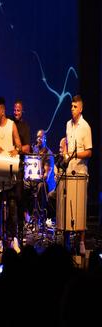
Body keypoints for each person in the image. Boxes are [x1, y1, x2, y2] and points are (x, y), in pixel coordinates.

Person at [0, 97, 22, 254]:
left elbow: (19, 144)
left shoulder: (11, 125)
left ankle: (13, 239)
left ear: (2, 111)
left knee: (13, 206)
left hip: (10, 174)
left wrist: (17, 149)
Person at [64, 95, 92, 254]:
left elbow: (89, 152)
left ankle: (81, 242)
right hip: (69, 172)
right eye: (71, 106)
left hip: (81, 173)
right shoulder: (68, 125)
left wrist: (75, 155)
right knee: (69, 206)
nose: (72, 109)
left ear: (80, 109)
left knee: (80, 208)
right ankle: (67, 240)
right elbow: (68, 144)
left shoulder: (85, 126)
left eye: (75, 107)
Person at [11, 99, 31, 242]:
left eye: (18, 110)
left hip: (20, 167)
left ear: (22, 111)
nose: (16, 112)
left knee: (19, 198)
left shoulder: (25, 127)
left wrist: (16, 150)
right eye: (14, 110)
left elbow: (27, 148)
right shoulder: (10, 124)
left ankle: (20, 231)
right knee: (10, 200)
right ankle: (11, 234)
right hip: (8, 166)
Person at [32, 129, 55, 224]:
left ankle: (40, 216)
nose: (38, 139)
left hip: (46, 183)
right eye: (37, 137)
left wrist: (37, 176)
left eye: (40, 137)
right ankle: (28, 216)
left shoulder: (48, 154)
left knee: (40, 186)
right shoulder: (35, 151)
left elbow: (46, 175)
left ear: (45, 139)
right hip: (36, 180)